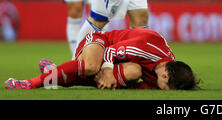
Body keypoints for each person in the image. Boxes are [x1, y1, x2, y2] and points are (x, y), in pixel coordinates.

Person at [5, 28, 199, 90]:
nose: (164, 91)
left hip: (119, 61)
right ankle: (32, 83)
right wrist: (107, 72)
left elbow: (136, 86)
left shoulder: (166, 67)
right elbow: (110, 52)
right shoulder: (146, 47)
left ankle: (55, 73)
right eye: (167, 89)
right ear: (165, 75)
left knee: (133, 71)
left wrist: (120, 83)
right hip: (100, 42)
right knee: (91, 66)